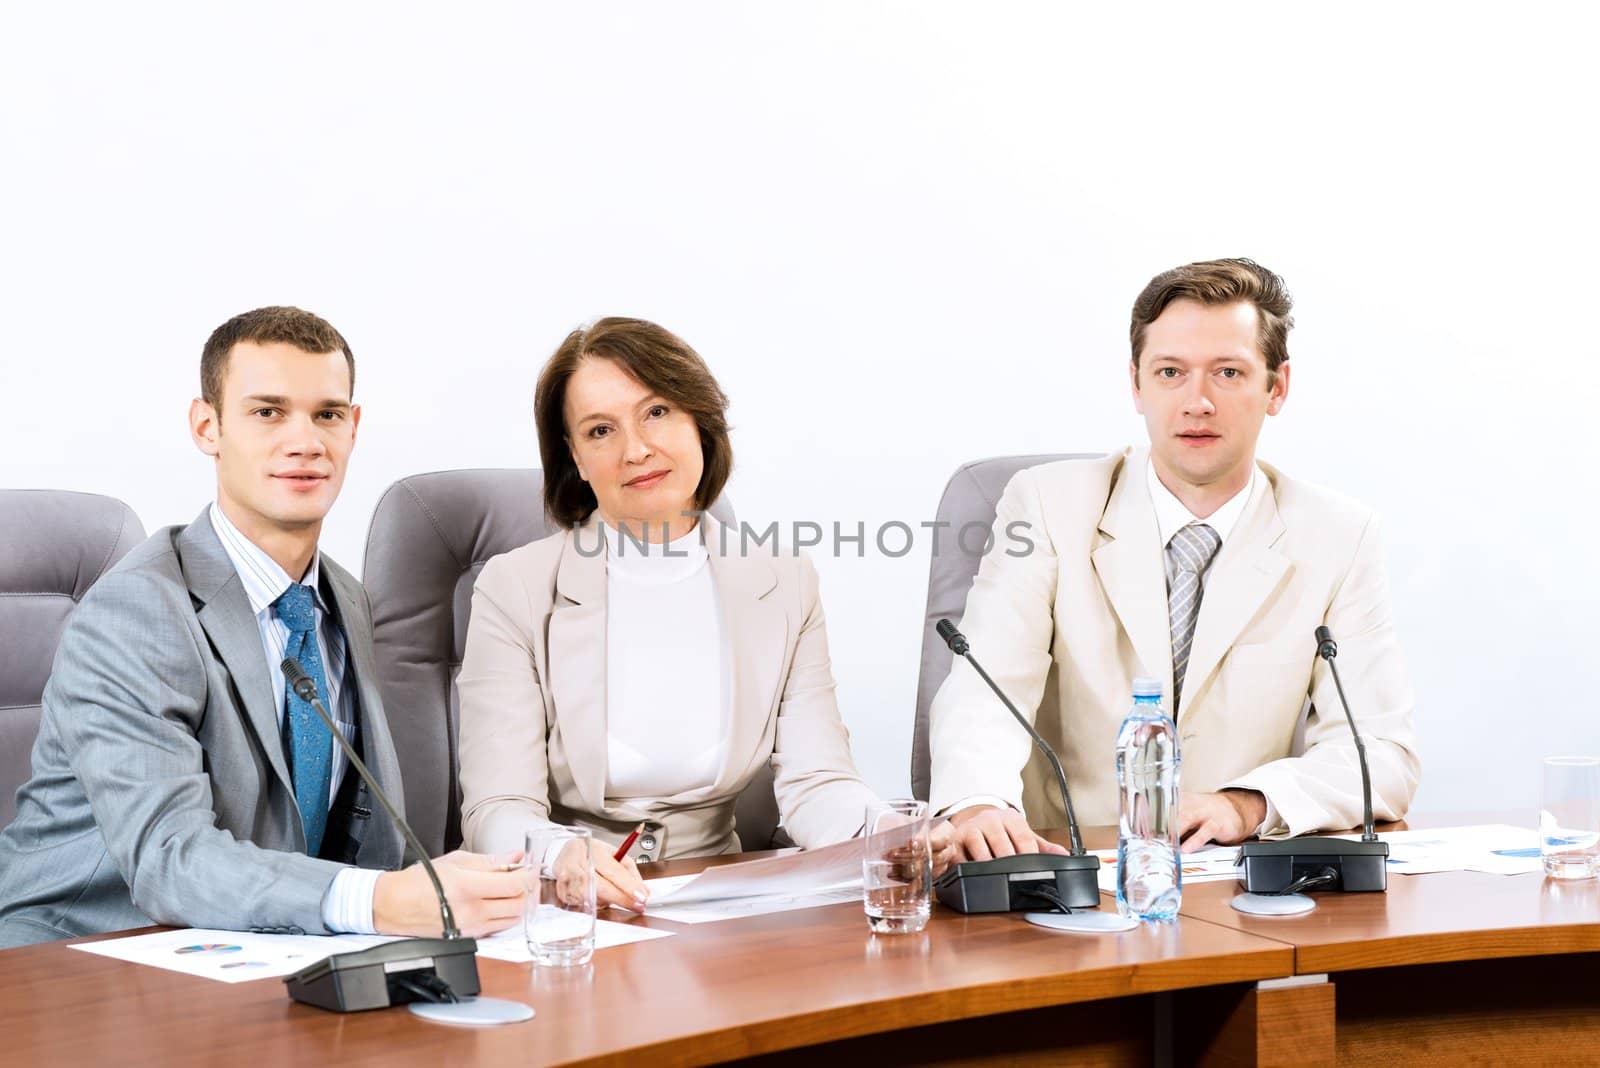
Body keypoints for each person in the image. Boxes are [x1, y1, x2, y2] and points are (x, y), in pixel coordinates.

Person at [0, 307, 523, 947]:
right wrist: (379, 901)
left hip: (256, 948)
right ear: (207, 426)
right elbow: (169, 855)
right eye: (268, 412)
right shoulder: (136, 609)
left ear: (354, 428)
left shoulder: (343, 598)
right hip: (89, 951)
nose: (305, 441)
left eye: (328, 414)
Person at [928, 258, 1420, 859]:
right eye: (1170, 372)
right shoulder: (1047, 504)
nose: (1198, 402)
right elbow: (987, 685)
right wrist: (979, 801)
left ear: (1277, 387)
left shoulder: (1338, 534)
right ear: (1136, 385)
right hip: (1066, 866)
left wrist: (1248, 803)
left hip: (1234, 876)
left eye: (1229, 373)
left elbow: (1383, 754)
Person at [457, 317, 955, 909]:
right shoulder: (516, 587)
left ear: (700, 418)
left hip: (721, 903)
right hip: (570, 910)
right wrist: (560, 852)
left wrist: (888, 835)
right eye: (600, 430)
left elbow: (816, 781)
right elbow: (496, 806)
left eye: (657, 412)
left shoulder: (783, 582)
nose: (636, 449)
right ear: (576, 459)